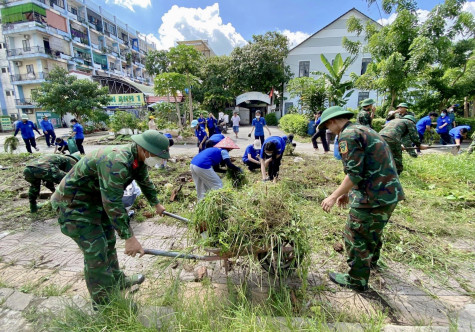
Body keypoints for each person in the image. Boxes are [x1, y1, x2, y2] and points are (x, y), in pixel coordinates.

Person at [51, 130, 170, 306]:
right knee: (96, 251)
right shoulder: (116, 162)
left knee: (108, 242)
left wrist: (156, 204)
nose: (158, 159)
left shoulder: (137, 160)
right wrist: (129, 237)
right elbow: (113, 203)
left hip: (95, 202)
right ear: (144, 149)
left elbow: (145, 182)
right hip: (74, 205)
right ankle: (104, 302)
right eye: (156, 155)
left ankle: (116, 280)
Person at [318, 106, 405, 292]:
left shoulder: (347, 136)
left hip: (373, 196)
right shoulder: (364, 129)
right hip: (389, 194)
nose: (328, 130)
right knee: (373, 230)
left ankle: (357, 280)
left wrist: (333, 196)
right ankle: (371, 262)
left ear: (333, 121)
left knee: (355, 234)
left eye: (327, 126)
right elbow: (366, 166)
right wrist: (345, 192)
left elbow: (354, 173)